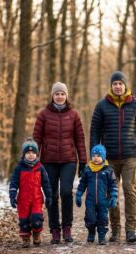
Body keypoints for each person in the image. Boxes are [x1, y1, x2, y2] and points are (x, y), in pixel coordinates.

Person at [90, 71, 136, 243]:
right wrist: (95, 154)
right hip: (108, 159)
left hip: (130, 157)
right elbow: (94, 131)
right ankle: (116, 230)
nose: (118, 86)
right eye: (115, 84)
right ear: (111, 86)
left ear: (125, 85)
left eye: (120, 83)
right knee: (111, 193)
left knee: (129, 189)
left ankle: (131, 230)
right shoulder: (102, 105)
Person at [33, 82, 87, 244]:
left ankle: (67, 228)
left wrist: (83, 161)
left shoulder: (74, 115)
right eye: (57, 94)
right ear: (52, 96)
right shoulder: (43, 115)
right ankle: (55, 230)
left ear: (66, 96)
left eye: (62, 94)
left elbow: (80, 139)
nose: (60, 96)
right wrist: (34, 159)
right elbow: (37, 138)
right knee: (52, 195)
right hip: (48, 161)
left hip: (68, 160)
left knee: (65, 192)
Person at [9, 138, 52, 247]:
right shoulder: (19, 168)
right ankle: (26, 238)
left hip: (36, 198)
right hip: (23, 199)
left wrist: (49, 196)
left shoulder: (40, 168)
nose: (31, 155)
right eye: (28, 153)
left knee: (36, 218)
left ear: (37, 154)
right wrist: (12, 196)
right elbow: (14, 183)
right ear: (24, 154)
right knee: (24, 220)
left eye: (33, 153)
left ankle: (36, 234)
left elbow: (46, 183)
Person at [75, 144, 118, 245]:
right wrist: (79, 193)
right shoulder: (87, 169)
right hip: (90, 200)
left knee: (103, 218)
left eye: (98, 156)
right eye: (93, 155)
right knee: (90, 217)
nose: (95, 158)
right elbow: (83, 183)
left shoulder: (108, 170)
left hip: (103, 200)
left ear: (103, 157)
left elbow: (113, 184)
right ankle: (91, 232)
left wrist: (114, 195)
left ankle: (102, 236)